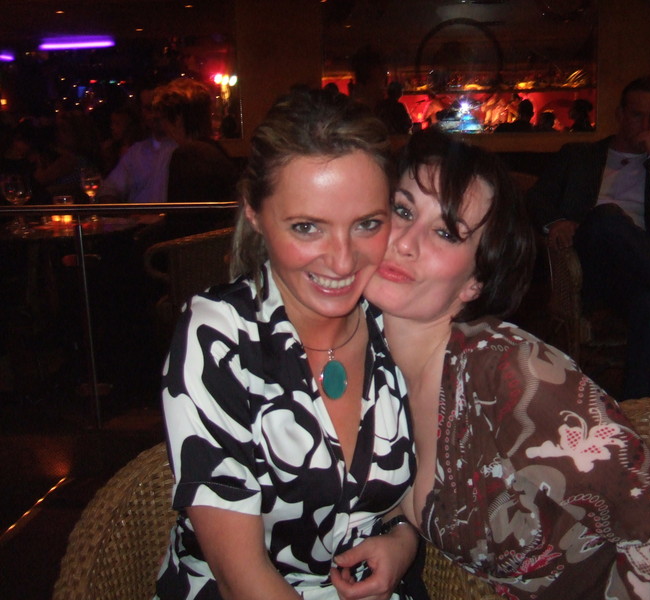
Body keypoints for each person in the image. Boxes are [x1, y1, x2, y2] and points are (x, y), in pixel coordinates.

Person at [361, 127, 650, 600]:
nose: (405, 242)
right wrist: (399, 539)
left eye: (447, 232)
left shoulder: (511, 372)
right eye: (403, 210)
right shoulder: (368, 361)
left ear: (475, 281)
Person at [155, 88, 419, 600]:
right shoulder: (219, 335)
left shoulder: (397, 319)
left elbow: (429, 488)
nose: (342, 262)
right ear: (254, 213)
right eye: (307, 227)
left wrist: (403, 543)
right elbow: (240, 578)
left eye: (367, 224)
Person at [527, 76, 650, 399]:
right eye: (637, 115)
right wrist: (557, 222)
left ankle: (639, 412)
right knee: (607, 217)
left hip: (644, 274)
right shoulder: (579, 155)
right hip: (589, 267)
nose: (645, 125)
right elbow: (536, 198)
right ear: (620, 115)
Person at [153, 77, 239, 237]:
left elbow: (182, 225)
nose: (163, 126)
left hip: (201, 248)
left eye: (163, 118)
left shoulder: (188, 155)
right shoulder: (214, 150)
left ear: (178, 118)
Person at [97, 86, 178, 204]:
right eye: (148, 108)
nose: (154, 115)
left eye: (158, 108)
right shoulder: (136, 152)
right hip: (137, 215)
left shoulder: (181, 149)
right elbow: (110, 189)